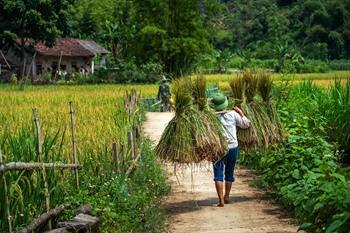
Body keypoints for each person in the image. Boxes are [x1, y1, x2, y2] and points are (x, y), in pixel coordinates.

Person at [209, 92, 251, 207]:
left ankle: (221, 200)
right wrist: (241, 113)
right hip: (233, 147)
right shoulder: (232, 114)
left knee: (218, 174)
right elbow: (246, 124)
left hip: (218, 148)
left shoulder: (210, 116)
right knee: (229, 172)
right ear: (225, 104)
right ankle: (227, 196)